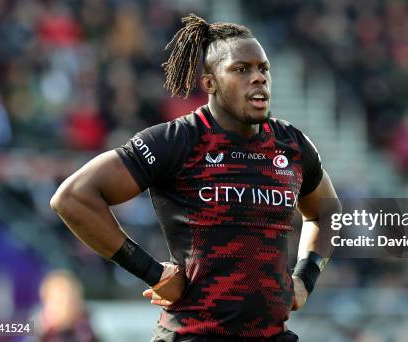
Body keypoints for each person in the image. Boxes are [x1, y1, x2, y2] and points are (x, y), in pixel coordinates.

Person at [50, 14, 340, 342]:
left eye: (263, 68)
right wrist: (151, 272)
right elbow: (73, 197)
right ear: (210, 82)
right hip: (193, 335)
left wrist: (306, 276)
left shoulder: (292, 145)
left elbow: (326, 211)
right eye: (241, 69)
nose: (258, 78)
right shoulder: (178, 140)